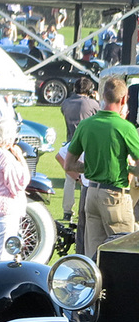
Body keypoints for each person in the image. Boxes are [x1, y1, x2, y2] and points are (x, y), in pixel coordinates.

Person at [64, 73, 139, 257]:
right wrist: (128, 169)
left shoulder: (86, 124)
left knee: (93, 255)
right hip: (114, 195)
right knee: (123, 251)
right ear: (124, 99)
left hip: (92, 194)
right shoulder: (124, 127)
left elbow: (69, 164)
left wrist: (89, 168)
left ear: (103, 97)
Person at [0, 117, 31, 263]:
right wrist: (20, 158)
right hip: (5, 210)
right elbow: (20, 183)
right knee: (1, 257)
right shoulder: (4, 156)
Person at [59, 77, 100, 221]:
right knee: (86, 179)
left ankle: (67, 211)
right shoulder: (92, 103)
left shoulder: (66, 103)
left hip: (71, 142)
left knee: (69, 179)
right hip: (87, 143)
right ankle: (84, 207)